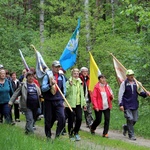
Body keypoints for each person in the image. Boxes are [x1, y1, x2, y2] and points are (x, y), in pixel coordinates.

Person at [118, 69, 149, 140]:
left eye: (132, 75)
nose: (131, 76)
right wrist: (121, 104)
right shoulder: (124, 84)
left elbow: (140, 93)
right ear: (127, 76)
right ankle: (131, 135)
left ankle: (126, 127)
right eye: (130, 75)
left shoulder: (137, 83)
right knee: (130, 119)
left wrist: (146, 94)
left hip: (134, 104)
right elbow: (120, 94)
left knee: (134, 119)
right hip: (126, 104)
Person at [41, 60, 66, 139]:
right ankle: (48, 136)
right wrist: (50, 84)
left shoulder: (62, 77)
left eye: (58, 67)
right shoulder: (47, 76)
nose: (57, 68)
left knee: (62, 118)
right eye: (56, 67)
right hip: (49, 101)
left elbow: (64, 90)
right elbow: (43, 88)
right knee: (48, 119)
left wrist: (63, 100)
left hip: (59, 101)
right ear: (52, 67)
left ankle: (57, 135)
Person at [65, 68, 87, 141]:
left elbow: (82, 94)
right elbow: (65, 93)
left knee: (79, 119)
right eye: (75, 73)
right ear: (72, 74)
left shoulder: (80, 82)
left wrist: (84, 104)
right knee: (71, 119)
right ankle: (71, 135)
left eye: (77, 74)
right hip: (71, 104)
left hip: (78, 104)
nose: (76, 75)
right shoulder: (68, 82)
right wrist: (70, 86)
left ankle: (76, 132)